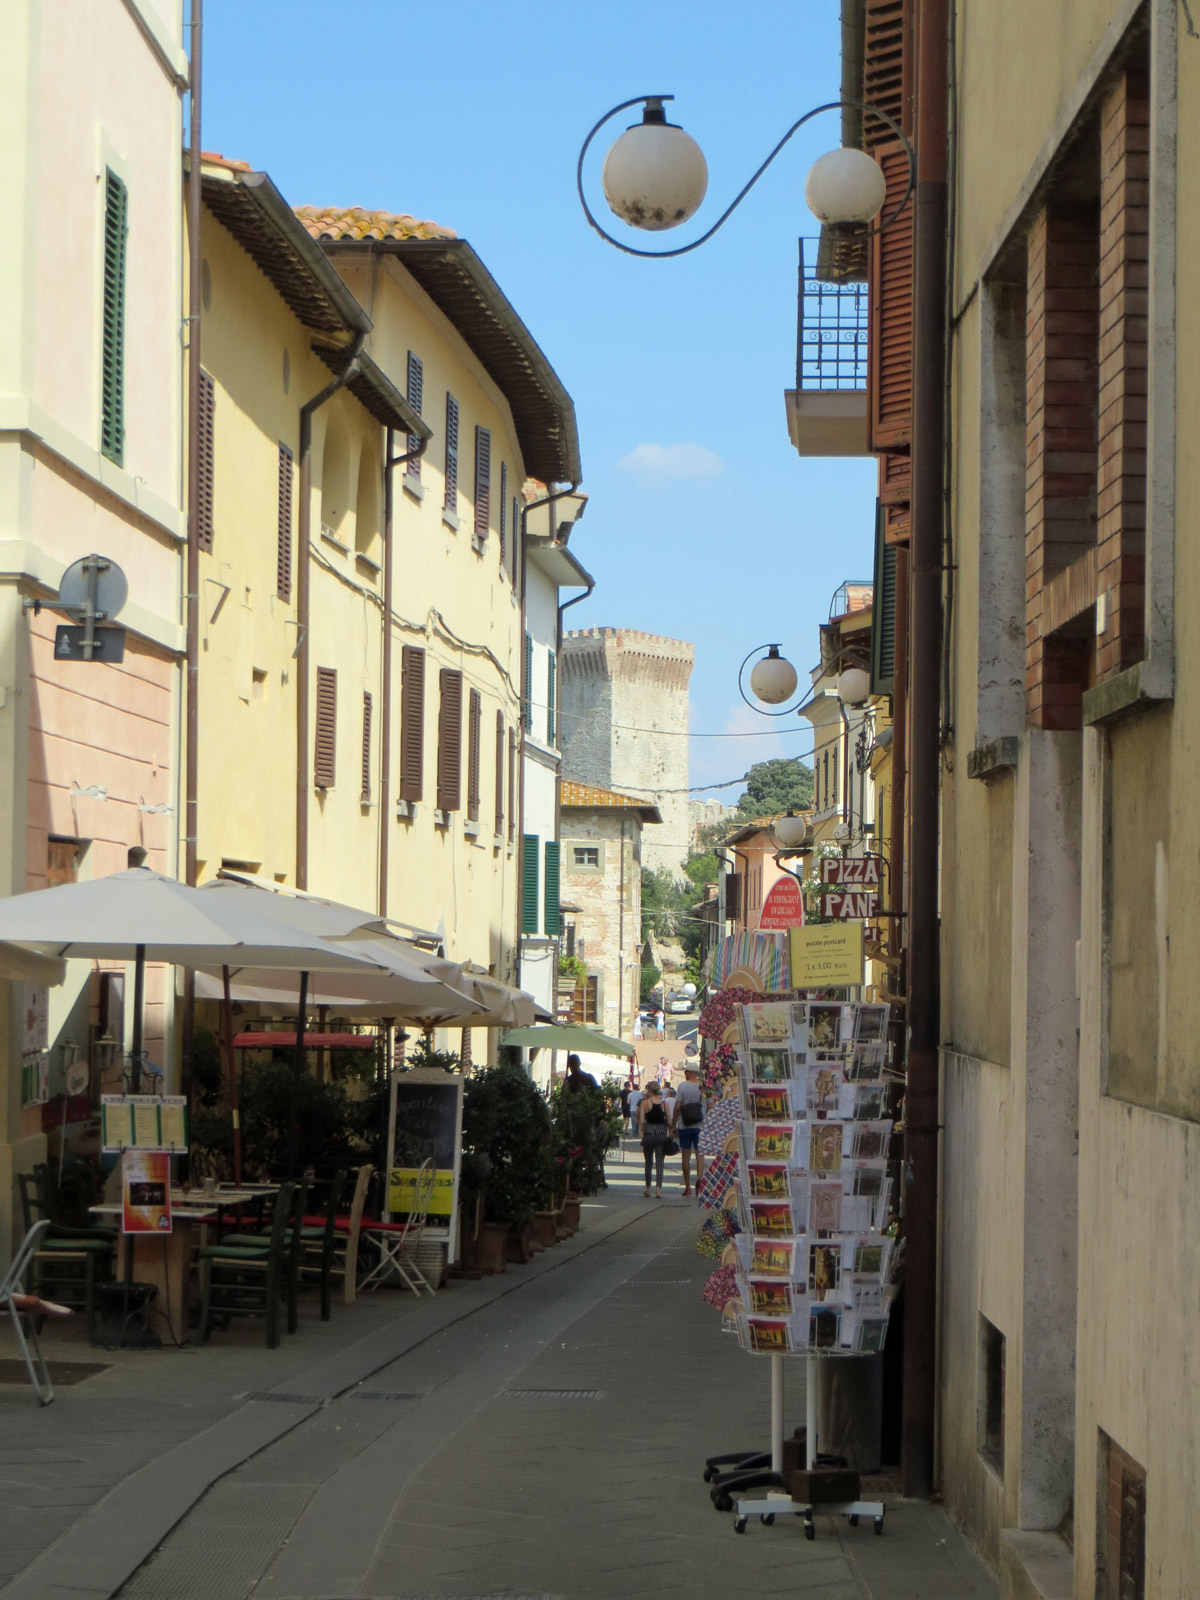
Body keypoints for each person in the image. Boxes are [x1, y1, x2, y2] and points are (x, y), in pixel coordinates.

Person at [671, 1063, 705, 1198]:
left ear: (690, 1073)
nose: (684, 1073)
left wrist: (673, 1124)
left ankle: (687, 1187)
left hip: (685, 1125)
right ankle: (700, 1182)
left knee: (686, 1155)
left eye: (686, 1071)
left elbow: (678, 1106)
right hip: (700, 1125)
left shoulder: (683, 1086)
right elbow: (709, 1105)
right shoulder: (703, 1087)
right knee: (700, 1155)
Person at [637, 1081, 671, 1199]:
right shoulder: (664, 1103)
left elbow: (641, 1120)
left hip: (649, 1132)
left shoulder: (644, 1103)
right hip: (661, 1133)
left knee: (648, 1161)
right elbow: (670, 1121)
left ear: (649, 1090)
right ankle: (658, 1190)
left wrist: (646, 1123)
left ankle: (648, 1188)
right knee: (660, 1162)